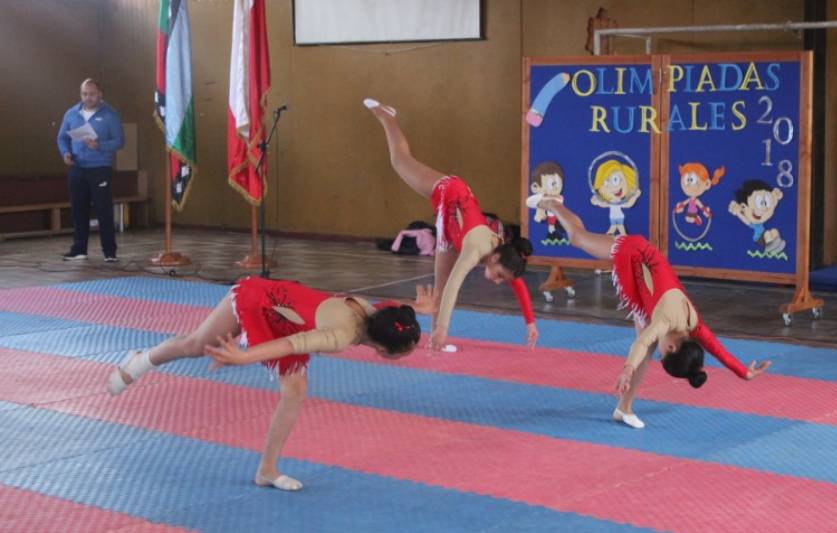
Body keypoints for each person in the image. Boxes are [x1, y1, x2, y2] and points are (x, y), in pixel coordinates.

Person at [107, 276, 430, 491]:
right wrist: (243, 356)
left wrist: (419, 310)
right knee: (194, 346)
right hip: (257, 300)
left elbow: (394, 312)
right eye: (406, 351)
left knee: (295, 391)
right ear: (383, 350)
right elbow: (289, 346)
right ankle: (141, 360)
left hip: (285, 315)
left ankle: (267, 469)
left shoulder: (378, 316)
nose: (409, 353)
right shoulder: (339, 336)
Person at [528, 195, 771, 429]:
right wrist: (627, 369)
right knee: (578, 238)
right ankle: (552, 203)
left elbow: (719, 350)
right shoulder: (665, 320)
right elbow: (642, 343)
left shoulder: (694, 326)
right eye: (664, 355)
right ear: (673, 348)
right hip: (635, 254)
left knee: (647, 349)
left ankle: (624, 408)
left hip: (647, 288)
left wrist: (745, 373)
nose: (661, 351)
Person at [365, 98, 538, 351]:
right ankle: (386, 116)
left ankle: (435, 340)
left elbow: (518, 283)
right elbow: (457, 284)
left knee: (440, 287)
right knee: (399, 160)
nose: (499, 282)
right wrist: (446, 328)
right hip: (450, 192)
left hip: (450, 228)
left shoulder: (505, 256)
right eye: (500, 276)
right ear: (493, 259)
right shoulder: (476, 249)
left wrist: (530, 323)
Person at [56, 78, 125, 262]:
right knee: (78, 210)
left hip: (99, 168)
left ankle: (109, 252)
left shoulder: (110, 114)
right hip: (77, 168)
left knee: (103, 210)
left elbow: (119, 141)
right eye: (84, 94)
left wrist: (99, 145)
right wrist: (66, 153)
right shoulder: (71, 114)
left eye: (92, 94)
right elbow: (62, 138)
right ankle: (79, 249)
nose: (88, 98)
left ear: (100, 94)